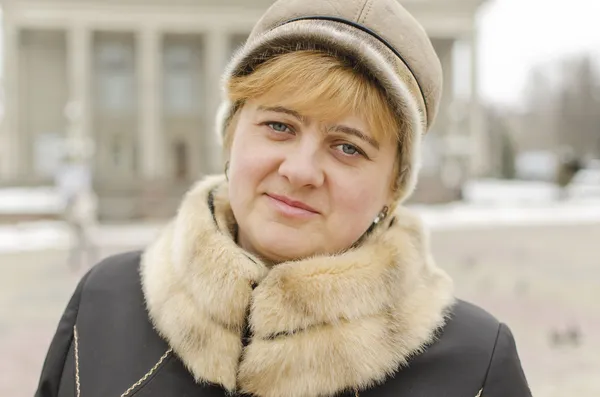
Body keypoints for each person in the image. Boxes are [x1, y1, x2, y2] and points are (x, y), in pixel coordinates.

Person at [35, 0, 532, 396]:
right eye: (279, 125)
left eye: (347, 147)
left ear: (392, 190)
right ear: (232, 138)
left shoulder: (474, 367)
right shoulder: (105, 305)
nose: (299, 170)